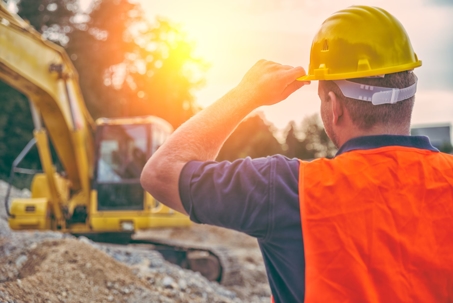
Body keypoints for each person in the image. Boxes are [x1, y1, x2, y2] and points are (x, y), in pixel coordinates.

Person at [141, 5, 453, 303]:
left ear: (334, 105)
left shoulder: (287, 189)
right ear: (410, 92)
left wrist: (246, 95)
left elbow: (161, 173)